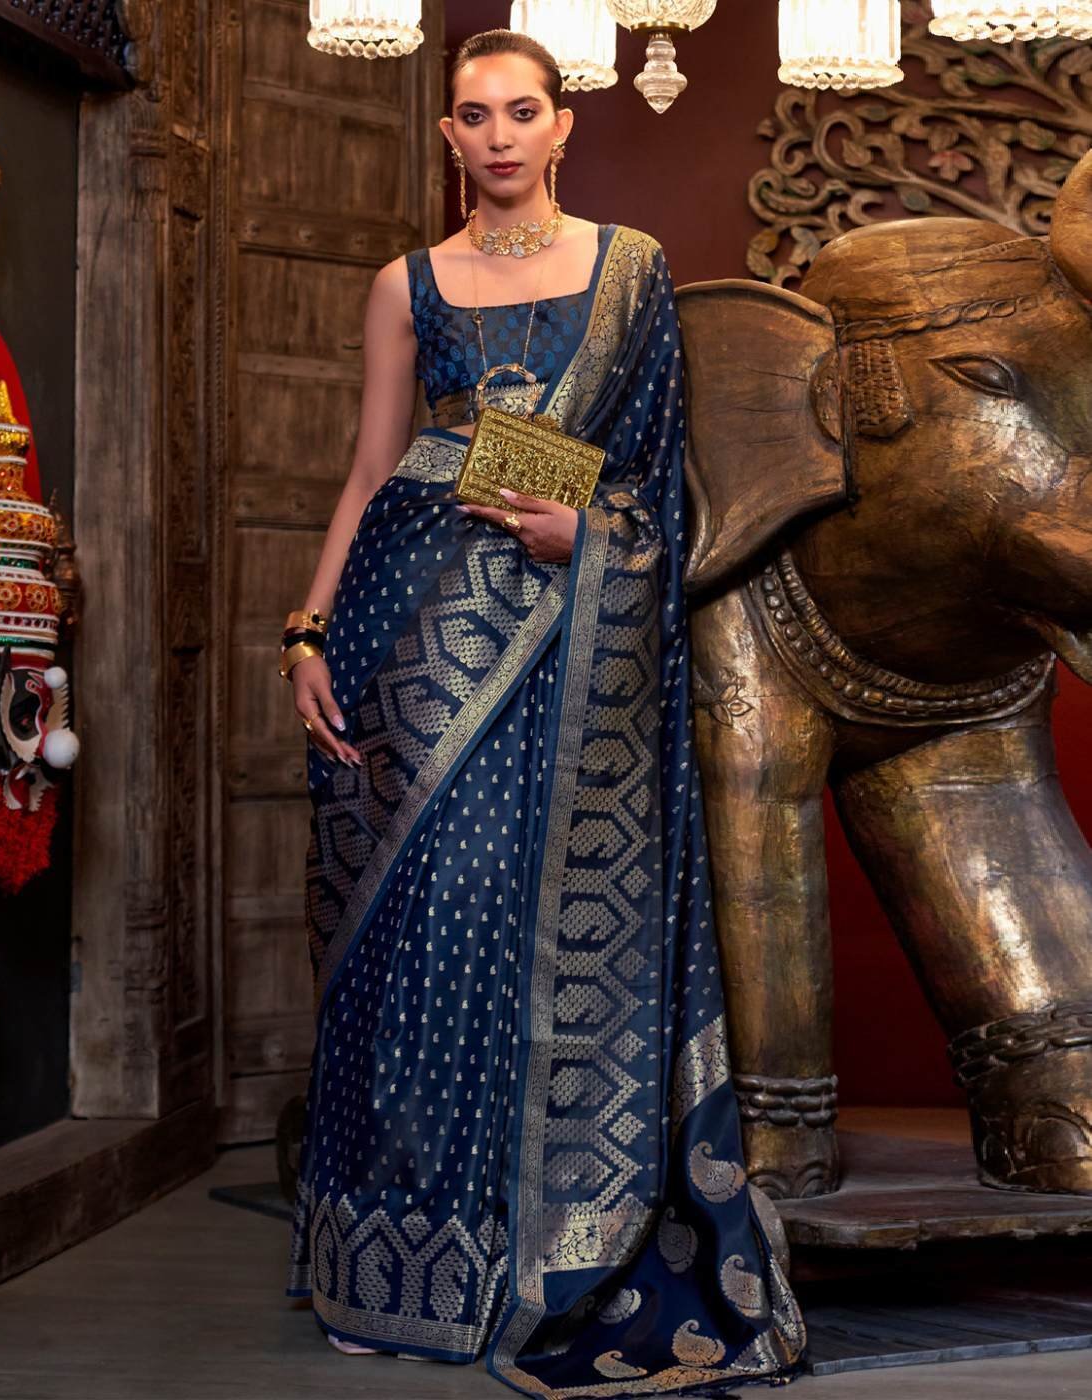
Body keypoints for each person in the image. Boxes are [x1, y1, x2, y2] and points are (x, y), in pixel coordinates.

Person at [282, 28, 805, 1399]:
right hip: (411, 627)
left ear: (563, 125)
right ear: (448, 135)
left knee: (520, 921)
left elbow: (664, 481)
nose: (500, 135)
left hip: (577, 641)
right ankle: (397, 1259)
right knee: (414, 929)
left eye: (523, 110)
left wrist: (594, 540)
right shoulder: (405, 282)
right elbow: (369, 471)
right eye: (475, 115)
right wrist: (307, 630)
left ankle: (544, 1250)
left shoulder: (631, 270)